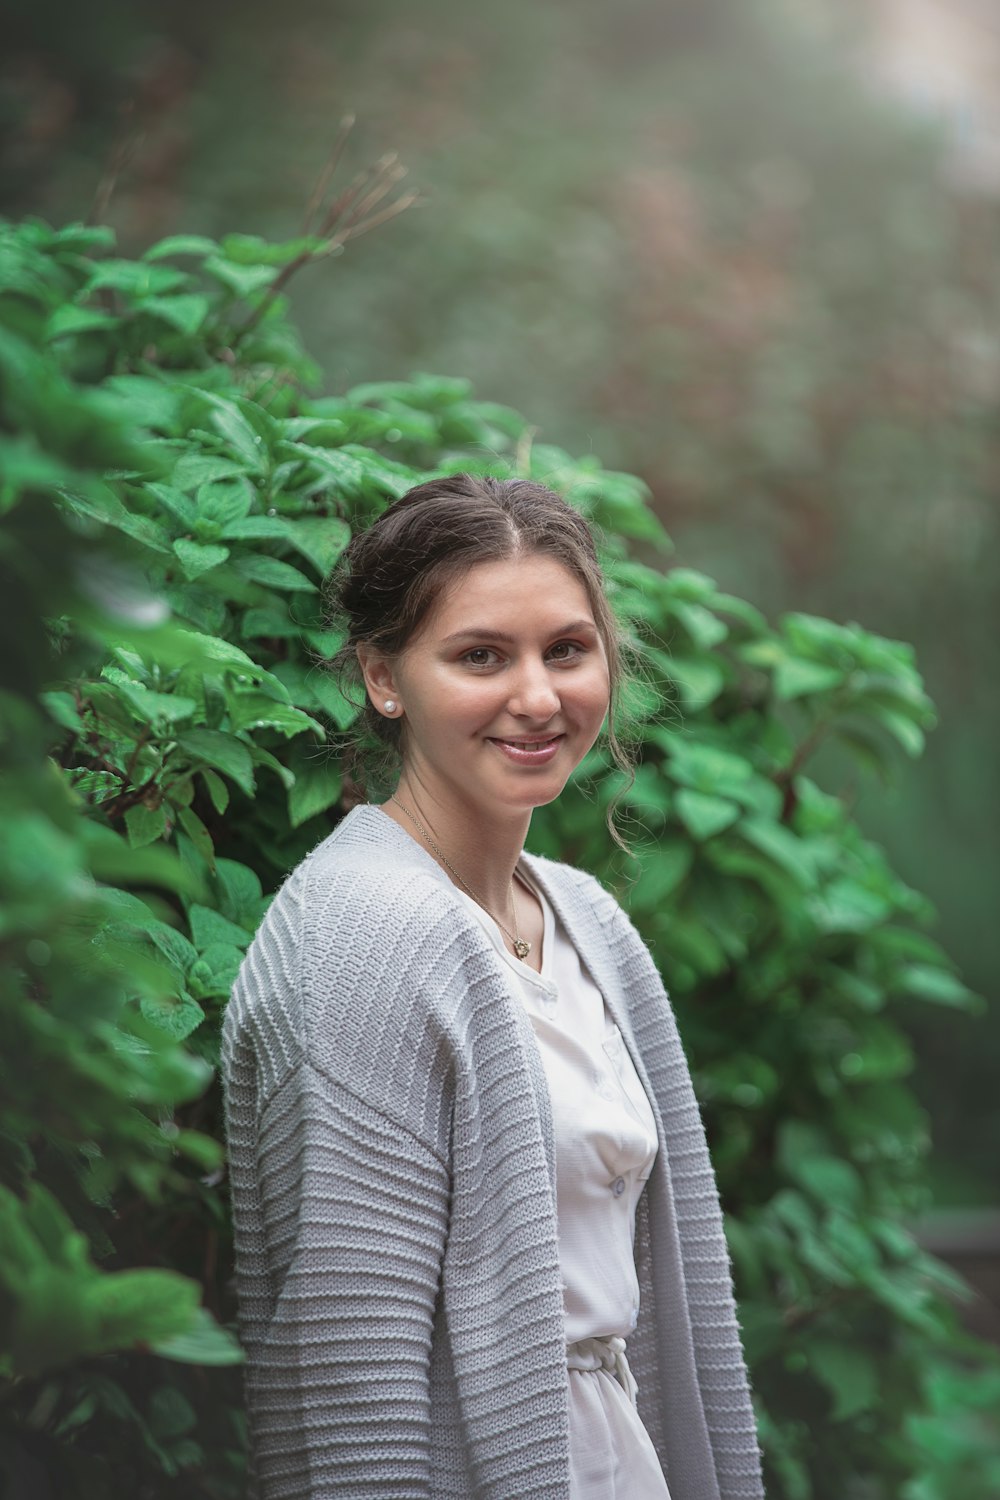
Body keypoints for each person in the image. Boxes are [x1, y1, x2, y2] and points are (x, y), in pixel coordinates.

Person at [222, 475, 765, 1500]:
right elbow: (350, 1386)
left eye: (566, 648)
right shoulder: (365, 935)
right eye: (480, 656)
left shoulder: (582, 917)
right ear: (384, 679)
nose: (537, 696)